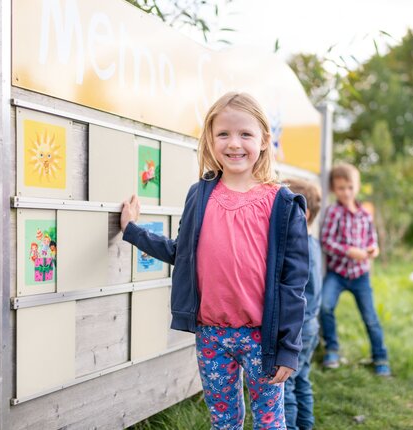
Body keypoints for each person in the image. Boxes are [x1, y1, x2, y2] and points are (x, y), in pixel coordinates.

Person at [119, 92, 309, 429]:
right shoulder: (200, 194)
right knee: (223, 422)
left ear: (264, 140)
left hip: (261, 337)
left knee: (269, 422)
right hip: (212, 335)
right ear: (210, 139)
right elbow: (183, 253)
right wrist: (132, 230)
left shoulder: (281, 203)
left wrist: (288, 346)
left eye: (245, 134)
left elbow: (293, 282)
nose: (234, 143)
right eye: (223, 134)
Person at [319, 163, 390, 377]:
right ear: (334, 189)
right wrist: (349, 251)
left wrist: (373, 249)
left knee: (370, 317)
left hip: (360, 275)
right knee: (325, 307)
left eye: (350, 187)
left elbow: (372, 239)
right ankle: (331, 349)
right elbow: (326, 241)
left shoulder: (365, 215)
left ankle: (380, 357)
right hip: (338, 273)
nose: (346, 192)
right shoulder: (334, 212)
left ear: (357, 187)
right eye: (341, 188)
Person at [282, 178, 322, 430]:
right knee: (302, 381)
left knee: (285, 386)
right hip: (310, 327)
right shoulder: (312, 244)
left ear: (303, 214)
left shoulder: (298, 250)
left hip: (298, 330)